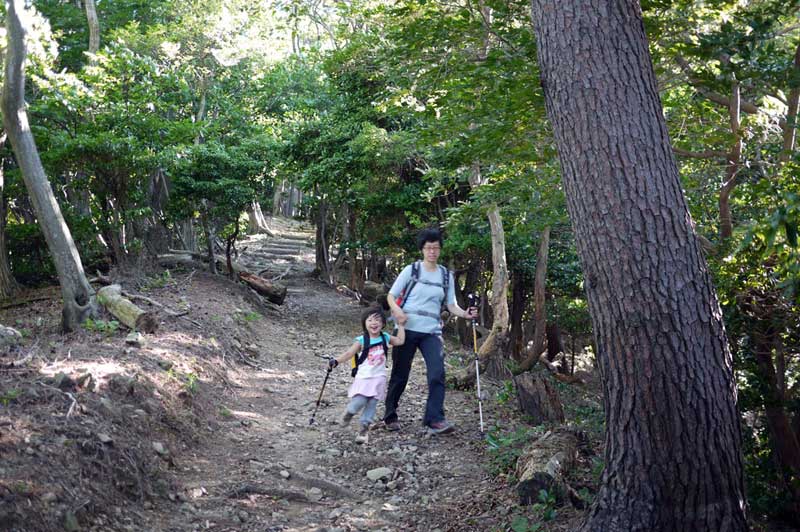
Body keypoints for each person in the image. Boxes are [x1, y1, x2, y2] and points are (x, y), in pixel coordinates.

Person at [383, 228, 478, 435]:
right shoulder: (412, 270)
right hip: (406, 329)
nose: (432, 251)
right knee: (400, 374)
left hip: (431, 332)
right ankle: (390, 415)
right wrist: (397, 311)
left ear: (440, 250)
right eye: (428, 248)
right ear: (422, 250)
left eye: (436, 248)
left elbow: (451, 305)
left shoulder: (446, 275)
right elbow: (391, 295)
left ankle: (434, 418)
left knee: (437, 373)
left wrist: (466, 314)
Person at [328, 307, 405, 444]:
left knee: (371, 405)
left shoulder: (385, 337)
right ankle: (349, 413)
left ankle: (363, 432)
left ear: (382, 324)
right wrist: (336, 361)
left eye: (377, 320)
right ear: (365, 323)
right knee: (359, 402)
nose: (373, 323)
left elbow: (400, 341)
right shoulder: (361, 340)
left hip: (379, 378)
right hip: (364, 378)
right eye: (370, 320)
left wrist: (401, 325)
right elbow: (349, 354)